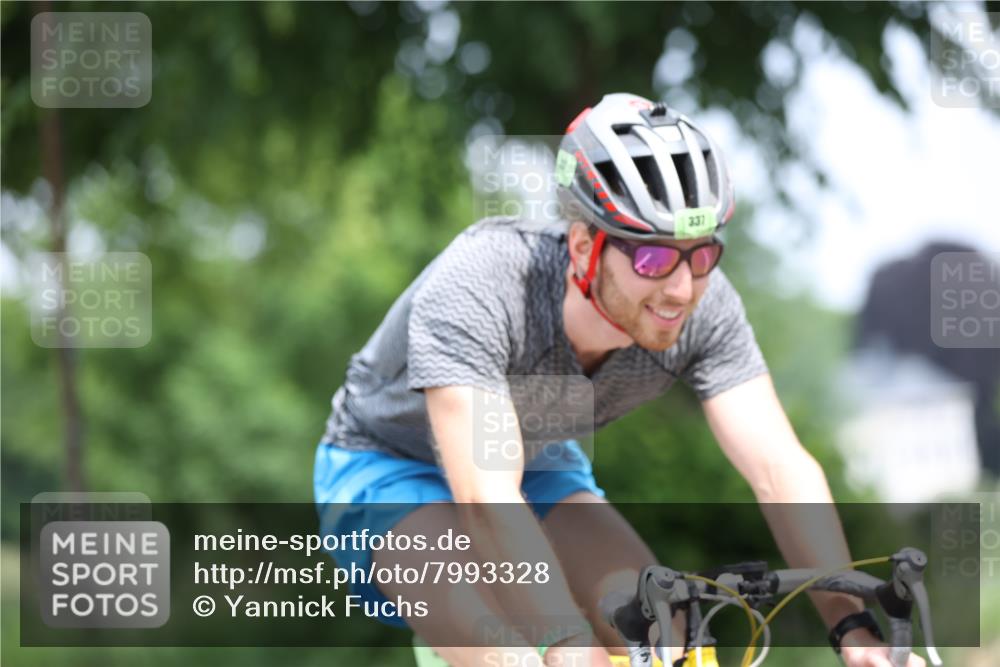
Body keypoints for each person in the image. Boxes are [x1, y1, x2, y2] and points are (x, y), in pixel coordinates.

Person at [314, 93, 926, 667]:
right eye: (652, 257)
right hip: (387, 468)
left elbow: (779, 467)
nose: (682, 288)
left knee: (663, 633)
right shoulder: (484, 281)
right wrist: (564, 640)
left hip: (539, 463)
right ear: (583, 247)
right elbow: (485, 495)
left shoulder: (702, 311)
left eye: (702, 254)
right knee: (501, 634)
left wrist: (853, 629)